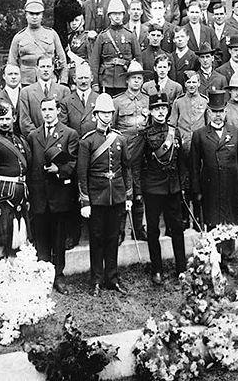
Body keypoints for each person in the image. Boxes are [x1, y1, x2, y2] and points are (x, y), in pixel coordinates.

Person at [77, 93, 132, 296]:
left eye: (109, 113)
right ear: (95, 115)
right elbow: (81, 174)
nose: (107, 116)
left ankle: (112, 278)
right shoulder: (87, 142)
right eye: (103, 113)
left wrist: (127, 196)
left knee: (113, 237)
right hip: (97, 198)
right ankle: (97, 280)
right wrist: (85, 202)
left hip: (116, 196)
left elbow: (127, 169)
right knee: (97, 238)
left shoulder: (119, 139)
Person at [190, 89, 238, 268]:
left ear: (225, 112)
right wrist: (196, 191)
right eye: (214, 112)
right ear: (208, 112)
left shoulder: (236, 133)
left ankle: (228, 257)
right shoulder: (199, 135)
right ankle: (215, 257)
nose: (218, 116)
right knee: (214, 221)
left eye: (221, 111)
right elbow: (194, 166)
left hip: (231, 185)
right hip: (211, 187)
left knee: (230, 221)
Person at [28, 97, 79, 294]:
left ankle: (58, 276)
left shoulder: (69, 134)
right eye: (44, 110)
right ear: (40, 112)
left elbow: (73, 163)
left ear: (57, 111)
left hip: (59, 195)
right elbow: (31, 164)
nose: (48, 113)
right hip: (39, 194)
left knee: (58, 239)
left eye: (51, 109)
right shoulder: (33, 136)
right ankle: (43, 274)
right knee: (41, 237)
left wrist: (60, 169)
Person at [137, 93, 189, 284]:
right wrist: (139, 189)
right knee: (153, 230)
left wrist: (182, 186)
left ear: (168, 111)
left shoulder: (174, 132)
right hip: (153, 189)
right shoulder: (144, 134)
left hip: (173, 188)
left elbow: (182, 161)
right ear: (151, 111)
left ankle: (181, 268)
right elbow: (138, 164)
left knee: (177, 228)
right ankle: (156, 269)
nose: (160, 112)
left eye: (163, 108)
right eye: (156, 109)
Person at [113, 61, 151, 242]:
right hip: (124, 154)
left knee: (139, 192)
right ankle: (119, 230)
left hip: (142, 154)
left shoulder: (147, 100)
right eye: (133, 78)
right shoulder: (117, 101)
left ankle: (138, 228)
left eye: (139, 78)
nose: (136, 81)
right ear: (127, 80)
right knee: (123, 191)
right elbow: (112, 130)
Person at [0, 101, 30, 258]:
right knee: (3, 236)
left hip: (21, 193)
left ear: (14, 117)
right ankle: (1, 275)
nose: (4, 123)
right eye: (1, 119)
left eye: (7, 118)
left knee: (20, 235)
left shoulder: (21, 140)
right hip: (4, 195)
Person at [8, 0, 69, 86]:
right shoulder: (18, 37)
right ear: (26, 15)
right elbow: (12, 64)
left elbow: (63, 61)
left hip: (50, 82)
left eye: (38, 14)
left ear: (42, 15)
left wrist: (63, 83)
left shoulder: (52, 34)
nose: (34, 17)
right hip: (26, 83)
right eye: (31, 13)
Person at [90, 0, 141, 96]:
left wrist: (136, 80)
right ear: (109, 16)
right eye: (114, 14)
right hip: (106, 80)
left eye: (120, 14)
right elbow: (95, 61)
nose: (117, 16)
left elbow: (138, 59)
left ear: (123, 15)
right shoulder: (102, 36)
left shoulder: (130, 35)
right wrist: (95, 82)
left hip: (124, 80)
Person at [18, 56, 70, 138]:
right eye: (42, 67)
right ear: (37, 68)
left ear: (53, 67)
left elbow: (65, 118)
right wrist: (37, 137)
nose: (45, 69)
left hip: (58, 140)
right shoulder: (26, 92)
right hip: (35, 141)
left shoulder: (64, 91)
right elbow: (25, 120)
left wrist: (56, 136)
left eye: (48, 66)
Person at [64, 62, 99, 137]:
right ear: (74, 79)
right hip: (74, 144)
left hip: (95, 145)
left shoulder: (99, 99)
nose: (83, 81)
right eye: (80, 78)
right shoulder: (66, 102)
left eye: (86, 78)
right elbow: (64, 129)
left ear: (92, 78)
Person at [0, 63, 22, 133]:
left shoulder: (27, 96)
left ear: (20, 76)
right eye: (10, 74)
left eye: (16, 74)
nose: (13, 77)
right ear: (4, 76)